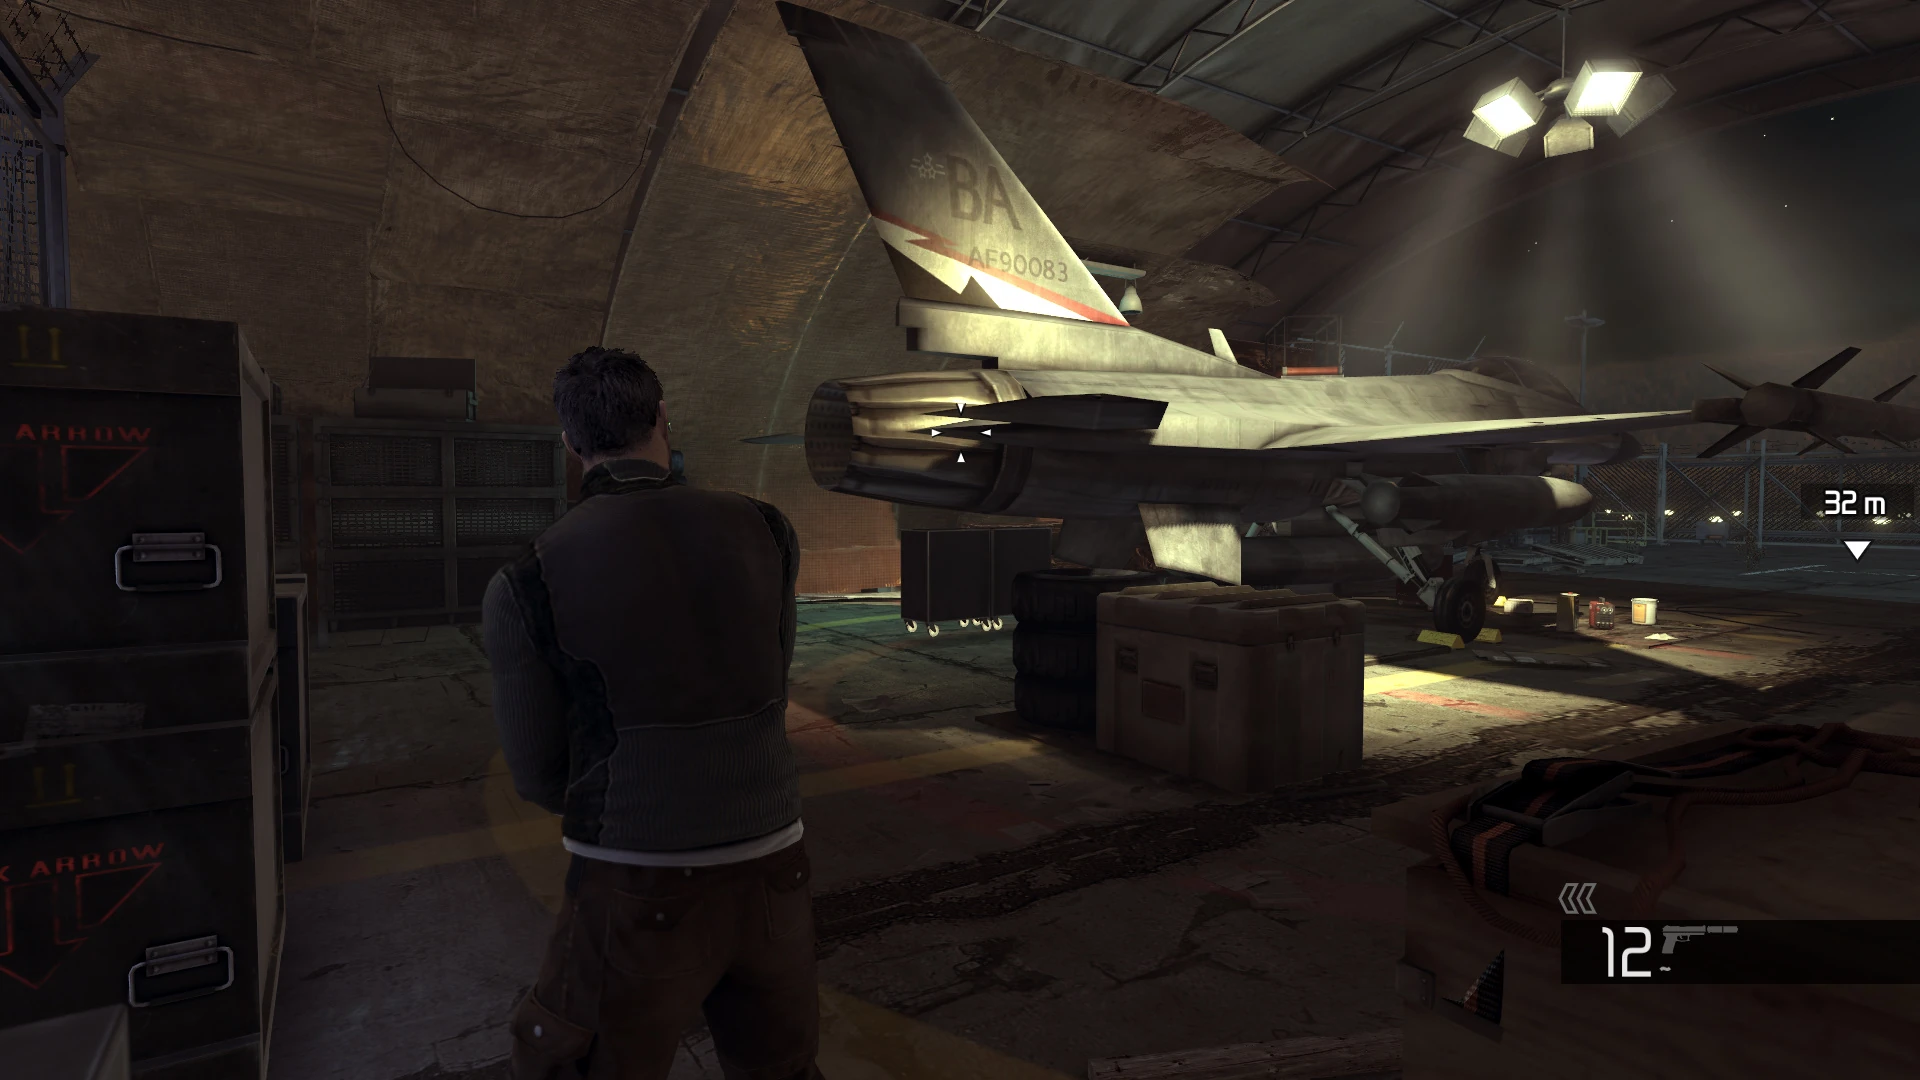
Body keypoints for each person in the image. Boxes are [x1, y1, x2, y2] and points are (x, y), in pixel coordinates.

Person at [483, 346, 823, 1080]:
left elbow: (537, 772)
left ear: (570, 442)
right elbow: (772, 676)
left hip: (635, 880)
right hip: (775, 862)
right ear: (663, 418)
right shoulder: (767, 528)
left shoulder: (528, 575)